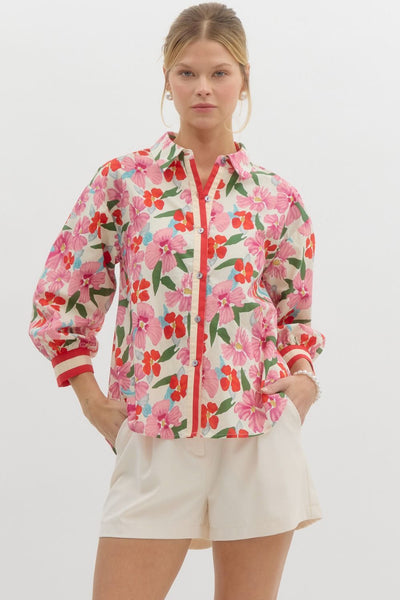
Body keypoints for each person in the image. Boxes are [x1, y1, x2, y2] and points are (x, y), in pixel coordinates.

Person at [28, 3, 325, 599]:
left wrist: (304, 382)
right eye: (187, 72)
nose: (203, 88)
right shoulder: (124, 181)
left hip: (256, 433)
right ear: (167, 79)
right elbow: (61, 296)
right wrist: (92, 402)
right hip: (154, 437)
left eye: (219, 72)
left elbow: (293, 312)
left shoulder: (276, 198)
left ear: (243, 80)